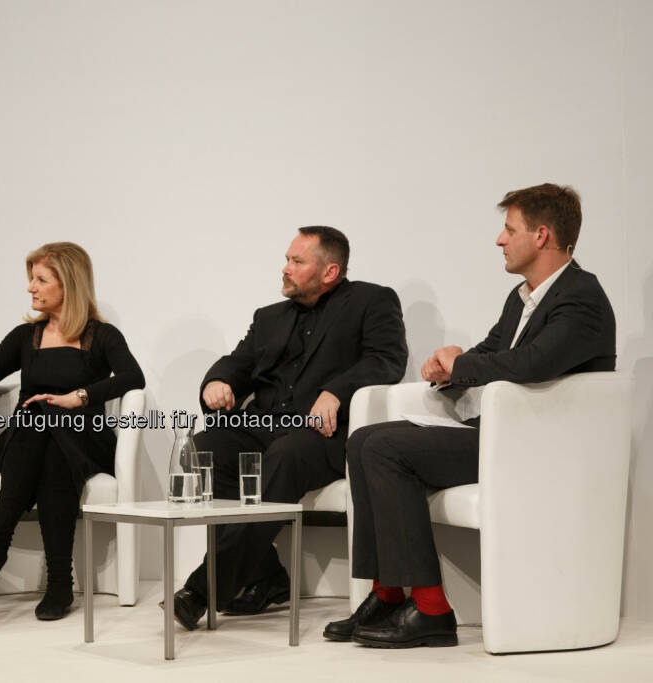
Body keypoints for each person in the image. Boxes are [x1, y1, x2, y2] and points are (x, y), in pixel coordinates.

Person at [327, 183, 616, 648]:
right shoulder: (522, 297)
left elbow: (532, 363)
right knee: (363, 439)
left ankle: (431, 611)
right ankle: (388, 592)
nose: (500, 239)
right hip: (500, 432)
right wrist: (449, 367)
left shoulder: (581, 298)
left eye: (509, 229)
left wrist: (465, 364)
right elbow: (492, 352)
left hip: (537, 442)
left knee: (384, 447)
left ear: (541, 236)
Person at [168, 226, 408, 631]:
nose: (285, 268)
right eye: (287, 259)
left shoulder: (372, 301)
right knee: (202, 448)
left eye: (297, 261)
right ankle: (266, 575)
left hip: (323, 435)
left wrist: (337, 390)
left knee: (285, 456)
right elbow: (237, 361)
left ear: (329, 271)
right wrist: (217, 381)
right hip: (264, 426)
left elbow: (387, 360)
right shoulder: (269, 317)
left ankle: (202, 590)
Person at [0, 242, 144, 621]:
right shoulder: (26, 337)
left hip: (83, 439)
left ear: (68, 285)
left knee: (50, 420)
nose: (31, 287)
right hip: (27, 439)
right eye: (31, 279)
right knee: (43, 427)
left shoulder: (102, 336)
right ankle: (59, 582)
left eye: (41, 280)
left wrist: (77, 398)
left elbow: (132, 377)